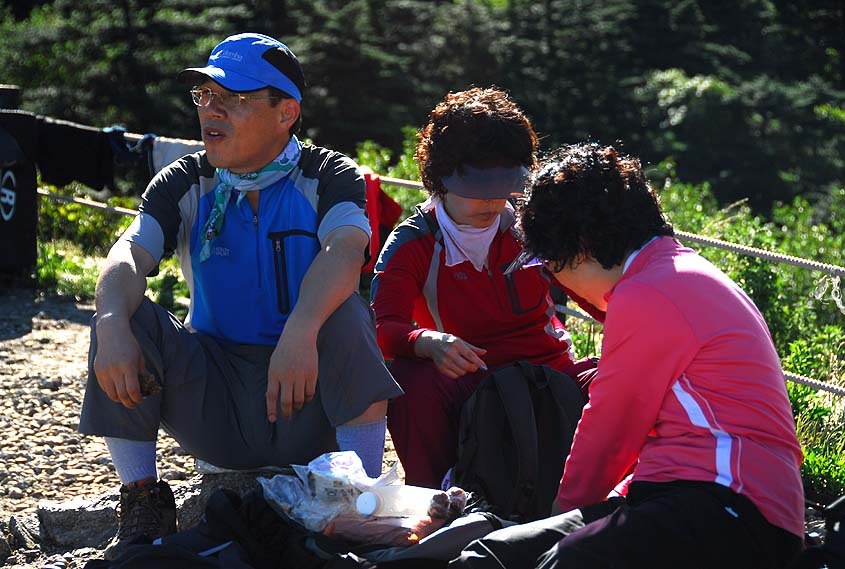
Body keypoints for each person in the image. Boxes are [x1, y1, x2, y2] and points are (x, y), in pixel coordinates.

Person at [78, 32, 402, 559]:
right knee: (124, 311)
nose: (212, 110)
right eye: (205, 96)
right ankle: (141, 497)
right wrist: (111, 323)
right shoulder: (187, 179)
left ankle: (357, 498)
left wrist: (300, 331)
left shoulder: (328, 175)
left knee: (344, 312)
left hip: (307, 400)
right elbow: (126, 256)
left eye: (233, 98)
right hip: (216, 397)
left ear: (286, 112)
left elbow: (346, 252)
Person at [452, 142, 804, 568]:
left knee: (563, 561)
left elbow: (610, 429)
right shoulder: (667, 272)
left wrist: (563, 516)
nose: (553, 279)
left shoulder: (650, 293)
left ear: (578, 247)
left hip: (733, 506)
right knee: (492, 556)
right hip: (686, 496)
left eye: (548, 264)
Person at [370, 87, 599, 489]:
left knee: (617, 377)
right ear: (438, 178)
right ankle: (434, 501)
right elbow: (384, 327)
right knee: (411, 383)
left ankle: (616, 494)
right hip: (467, 375)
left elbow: (597, 295)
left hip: (550, 370)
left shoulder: (533, 227)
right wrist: (427, 342)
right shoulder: (414, 242)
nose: (492, 199)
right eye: (478, 185)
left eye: (505, 182)